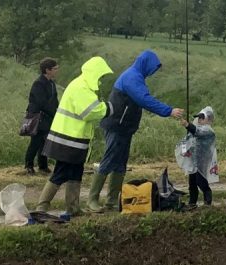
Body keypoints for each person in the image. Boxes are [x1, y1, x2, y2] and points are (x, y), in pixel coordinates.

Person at [90, 50, 184, 213]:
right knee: (109, 160)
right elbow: (144, 99)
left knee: (120, 164)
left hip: (125, 128)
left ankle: (111, 201)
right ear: (145, 64)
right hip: (116, 126)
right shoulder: (132, 77)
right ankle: (92, 200)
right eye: (152, 68)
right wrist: (168, 111)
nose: (152, 72)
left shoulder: (137, 76)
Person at [35, 57, 114, 216]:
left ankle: (73, 208)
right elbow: (90, 112)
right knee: (61, 172)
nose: (101, 80)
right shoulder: (81, 88)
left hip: (72, 138)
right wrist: (109, 108)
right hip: (68, 138)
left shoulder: (81, 85)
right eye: (100, 76)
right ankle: (41, 208)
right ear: (94, 74)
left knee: (76, 172)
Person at [23, 57, 60, 175]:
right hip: (39, 117)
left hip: (49, 117)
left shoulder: (52, 83)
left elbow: (54, 100)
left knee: (45, 142)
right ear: (47, 70)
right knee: (35, 142)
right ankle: (28, 165)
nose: (56, 71)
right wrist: (53, 112)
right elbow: (40, 102)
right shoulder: (38, 83)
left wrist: (58, 111)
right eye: (54, 69)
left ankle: (43, 165)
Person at [182, 106, 218, 207]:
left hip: (202, 160)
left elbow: (197, 132)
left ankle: (208, 202)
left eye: (202, 117)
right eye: (199, 117)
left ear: (208, 119)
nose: (199, 119)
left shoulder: (209, 131)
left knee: (201, 181)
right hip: (193, 160)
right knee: (192, 182)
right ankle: (192, 203)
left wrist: (187, 125)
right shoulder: (199, 128)